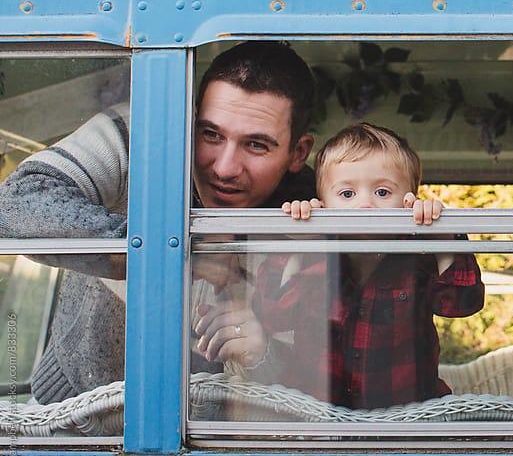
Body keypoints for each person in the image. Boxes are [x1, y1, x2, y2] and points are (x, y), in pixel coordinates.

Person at [0, 41, 317, 403]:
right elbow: (14, 204)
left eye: (256, 145)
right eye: (210, 134)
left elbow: (318, 387)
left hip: (215, 448)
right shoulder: (140, 133)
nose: (225, 168)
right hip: (67, 409)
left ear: (298, 152)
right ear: (190, 117)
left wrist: (260, 357)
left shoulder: (312, 214)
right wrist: (174, 253)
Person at [233, 122, 484, 409]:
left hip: (406, 420)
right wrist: (300, 244)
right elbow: (273, 314)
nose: (365, 205)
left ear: (409, 202)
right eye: (347, 194)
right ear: (323, 205)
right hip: (318, 417)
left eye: (382, 192)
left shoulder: (419, 255)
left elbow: (463, 303)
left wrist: (444, 238)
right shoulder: (314, 254)